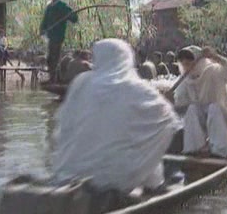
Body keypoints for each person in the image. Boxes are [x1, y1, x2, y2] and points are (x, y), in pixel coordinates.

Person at [50, 39, 182, 193]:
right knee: (151, 161)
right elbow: (169, 120)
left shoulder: (81, 82)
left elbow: (65, 124)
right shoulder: (135, 87)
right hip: (116, 177)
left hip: (69, 173)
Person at [174, 45, 227, 158]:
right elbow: (179, 102)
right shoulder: (185, 79)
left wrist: (215, 57)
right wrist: (167, 98)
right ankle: (195, 148)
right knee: (192, 109)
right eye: (183, 61)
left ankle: (220, 149)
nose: (185, 63)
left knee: (213, 108)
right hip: (203, 118)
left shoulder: (214, 70)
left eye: (189, 60)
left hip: (223, 115)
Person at [40, 0, 78, 83]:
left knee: (55, 57)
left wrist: (70, 15)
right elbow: (45, 21)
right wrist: (42, 30)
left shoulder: (62, 6)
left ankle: (55, 79)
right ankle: (53, 77)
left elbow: (74, 18)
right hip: (51, 36)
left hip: (58, 36)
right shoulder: (49, 7)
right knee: (49, 58)